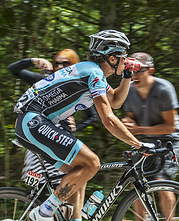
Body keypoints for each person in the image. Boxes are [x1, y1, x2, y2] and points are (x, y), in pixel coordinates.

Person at [14, 30, 153, 221]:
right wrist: (138, 144)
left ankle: (74, 218)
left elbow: (115, 101)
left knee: (80, 172)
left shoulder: (92, 72)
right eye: (124, 57)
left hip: (31, 124)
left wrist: (127, 74)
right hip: (33, 121)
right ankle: (43, 214)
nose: (126, 59)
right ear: (112, 58)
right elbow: (109, 120)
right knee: (92, 163)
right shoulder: (93, 73)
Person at [9, 49, 98, 215]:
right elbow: (13, 69)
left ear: (75, 66)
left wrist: (75, 127)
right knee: (41, 194)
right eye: (57, 63)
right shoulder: (45, 80)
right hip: (39, 140)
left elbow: (93, 116)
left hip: (63, 144)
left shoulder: (79, 86)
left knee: (73, 186)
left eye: (65, 64)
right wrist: (34, 60)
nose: (59, 66)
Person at [122, 52, 179, 220]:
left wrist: (137, 129)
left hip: (169, 140)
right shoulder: (130, 90)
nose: (135, 75)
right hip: (144, 142)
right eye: (131, 70)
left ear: (151, 71)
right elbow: (132, 119)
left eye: (140, 70)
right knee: (138, 185)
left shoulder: (164, 89)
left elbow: (170, 126)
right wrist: (127, 123)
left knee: (161, 183)